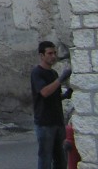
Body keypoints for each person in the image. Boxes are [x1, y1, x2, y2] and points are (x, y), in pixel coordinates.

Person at [31, 41, 72, 169]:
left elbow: (55, 95)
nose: (53, 56)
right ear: (42, 55)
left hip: (58, 121)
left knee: (61, 159)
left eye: (54, 53)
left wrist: (66, 94)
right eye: (49, 53)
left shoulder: (53, 73)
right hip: (44, 123)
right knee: (45, 159)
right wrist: (61, 79)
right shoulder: (37, 72)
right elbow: (44, 92)